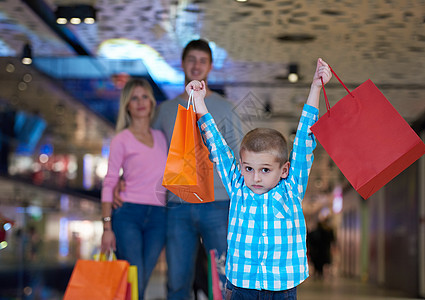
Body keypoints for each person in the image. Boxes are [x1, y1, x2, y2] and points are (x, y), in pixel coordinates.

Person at [186, 57, 332, 299]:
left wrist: (316, 87)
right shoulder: (238, 186)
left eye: (265, 170)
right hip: (242, 285)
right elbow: (218, 148)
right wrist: (200, 102)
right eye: (248, 168)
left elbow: (306, 138)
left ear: (284, 170)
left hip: (282, 286)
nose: (254, 177)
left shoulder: (291, 188)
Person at [114, 39, 243, 299]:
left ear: (210, 66)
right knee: (177, 281)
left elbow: (240, 155)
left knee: (226, 279)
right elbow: (147, 152)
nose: (196, 65)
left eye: (202, 61)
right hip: (177, 204)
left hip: (218, 202)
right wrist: (121, 179)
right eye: (191, 60)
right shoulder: (164, 111)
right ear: (183, 64)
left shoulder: (225, 108)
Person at [101, 78, 168, 300]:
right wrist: (107, 227)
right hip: (128, 215)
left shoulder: (161, 138)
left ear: (151, 103)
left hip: (159, 216)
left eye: (145, 97)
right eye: (134, 98)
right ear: (127, 105)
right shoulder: (121, 139)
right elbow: (110, 181)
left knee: (142, 281)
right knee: (134, 282)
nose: (140, 102)